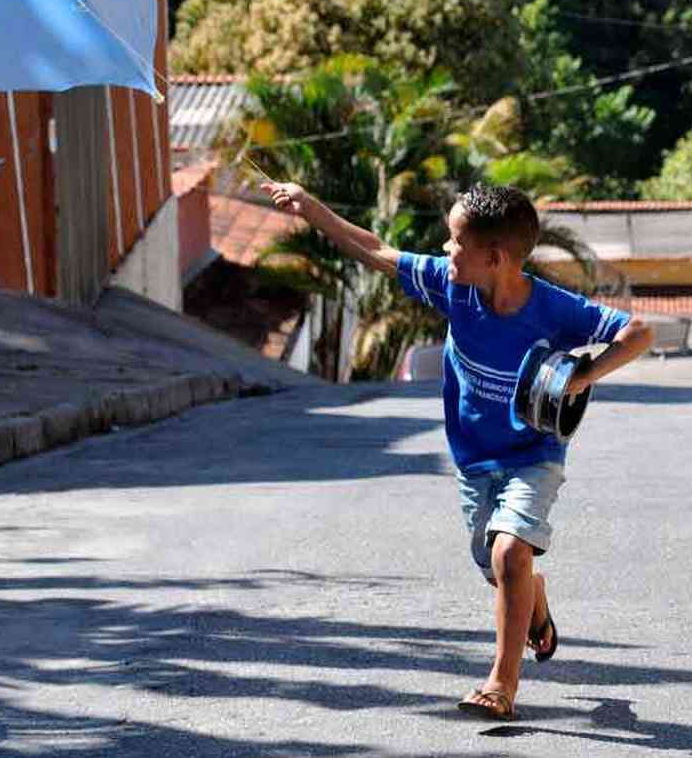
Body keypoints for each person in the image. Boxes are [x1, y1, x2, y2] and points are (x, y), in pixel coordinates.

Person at [262, 180, 652, 722]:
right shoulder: (453, 289)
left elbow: (639, 331)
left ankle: (501, 684)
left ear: (493, 257)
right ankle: (532, 597)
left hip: (533, 456)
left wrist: (583, 377)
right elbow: (374, 248)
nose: (445, 250)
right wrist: (310, 207)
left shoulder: (555, 310)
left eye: (454, 241)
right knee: (499, 568)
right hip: (473, 460)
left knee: (508, 551)